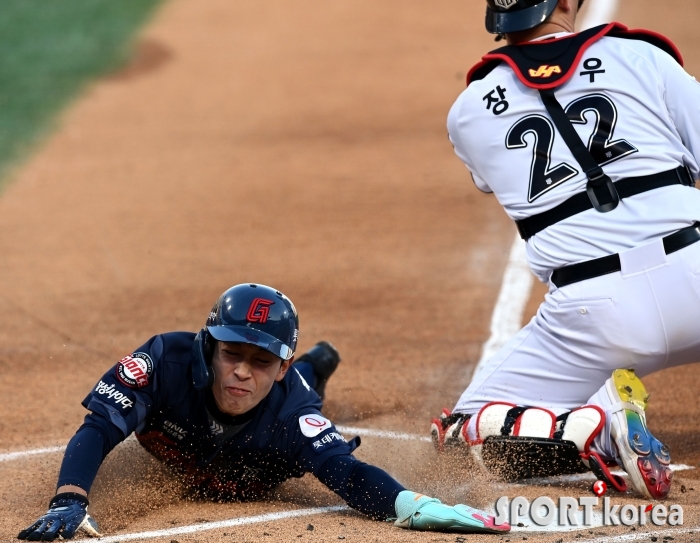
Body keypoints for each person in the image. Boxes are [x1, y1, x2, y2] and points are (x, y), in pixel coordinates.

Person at [432, 0, 700, 501]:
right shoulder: (642, 56)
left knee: (457, 439)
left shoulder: (466, 112)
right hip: (694, 271)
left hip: (592, 319)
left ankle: (595, 430)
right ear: (567, 2)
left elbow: (494, 178)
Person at [18, 283, 510, 540]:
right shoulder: (162, 363)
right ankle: (314, 362)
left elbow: (346, 473)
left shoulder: (292, 408)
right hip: (202, 443)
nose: (242, 372)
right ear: (207, 346)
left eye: (261, 361)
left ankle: (315, 365)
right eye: (232, 354)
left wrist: (412, 507)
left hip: (275, 434)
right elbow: (99, 426)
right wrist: (69, 499)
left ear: (279, 367)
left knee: (307, 392)